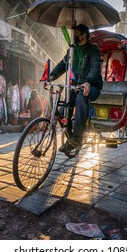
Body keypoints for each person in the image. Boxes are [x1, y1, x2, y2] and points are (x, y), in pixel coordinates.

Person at [48, 24, 102, 155]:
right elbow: (62, 65)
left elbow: (95, 67)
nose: (74, 37)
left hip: (92, 86)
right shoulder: (72, 50)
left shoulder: (93, 49)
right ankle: (70, 135)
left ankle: (77, 138)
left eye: (76, 34)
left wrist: (88, 81)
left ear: (84, 35)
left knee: (81, 98)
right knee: (64, 108)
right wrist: (52, 76)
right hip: (75, 86)